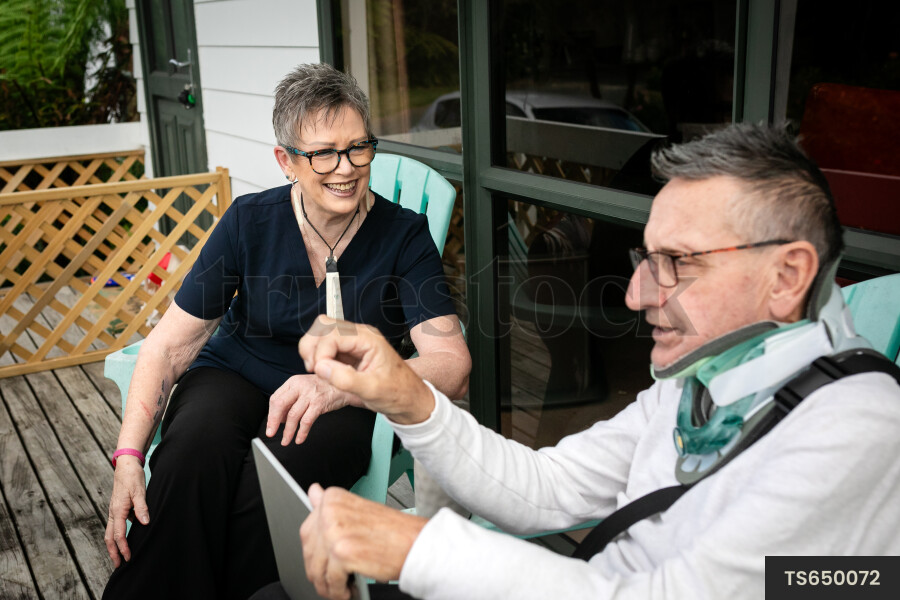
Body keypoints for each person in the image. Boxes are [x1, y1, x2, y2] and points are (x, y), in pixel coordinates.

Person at [254, 124, 900, 600]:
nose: (637, 294)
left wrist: (420, 547)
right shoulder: (710, 379)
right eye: (645, 260)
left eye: (677, 263)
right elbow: (544, 488)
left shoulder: (860, 428)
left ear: (788, 275)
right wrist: (407, 396)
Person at [102, 63, 471, 600]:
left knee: (266, 495)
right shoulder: (249, 221)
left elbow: (452, 365)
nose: (345, 168)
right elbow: (170, 346)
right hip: (234, 373)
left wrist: (339, 387)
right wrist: (129, 458)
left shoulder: (403, 236)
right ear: (286, 162)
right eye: (323, 153)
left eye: (358, 147)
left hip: (338, 401)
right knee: (190, 456)